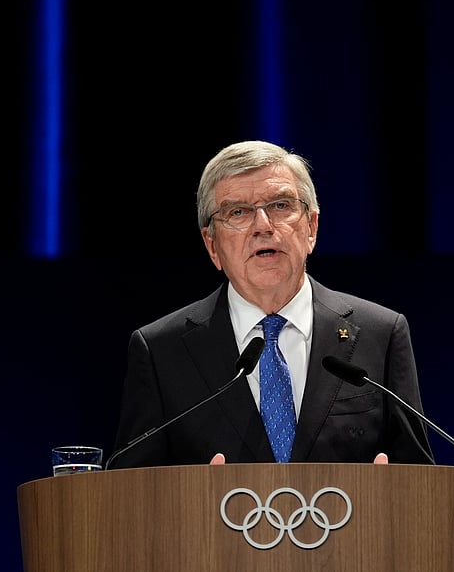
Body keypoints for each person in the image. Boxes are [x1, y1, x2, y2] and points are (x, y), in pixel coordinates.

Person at [108, 140, 434, 468]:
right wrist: (196, 503)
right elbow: (132, 496)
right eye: (237, 212)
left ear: (312, 228)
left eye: (280, 206)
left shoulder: (381, 334)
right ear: (212, 245)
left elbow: (423, 486)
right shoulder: (161, 351)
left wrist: (391, 496)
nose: (263, 226)